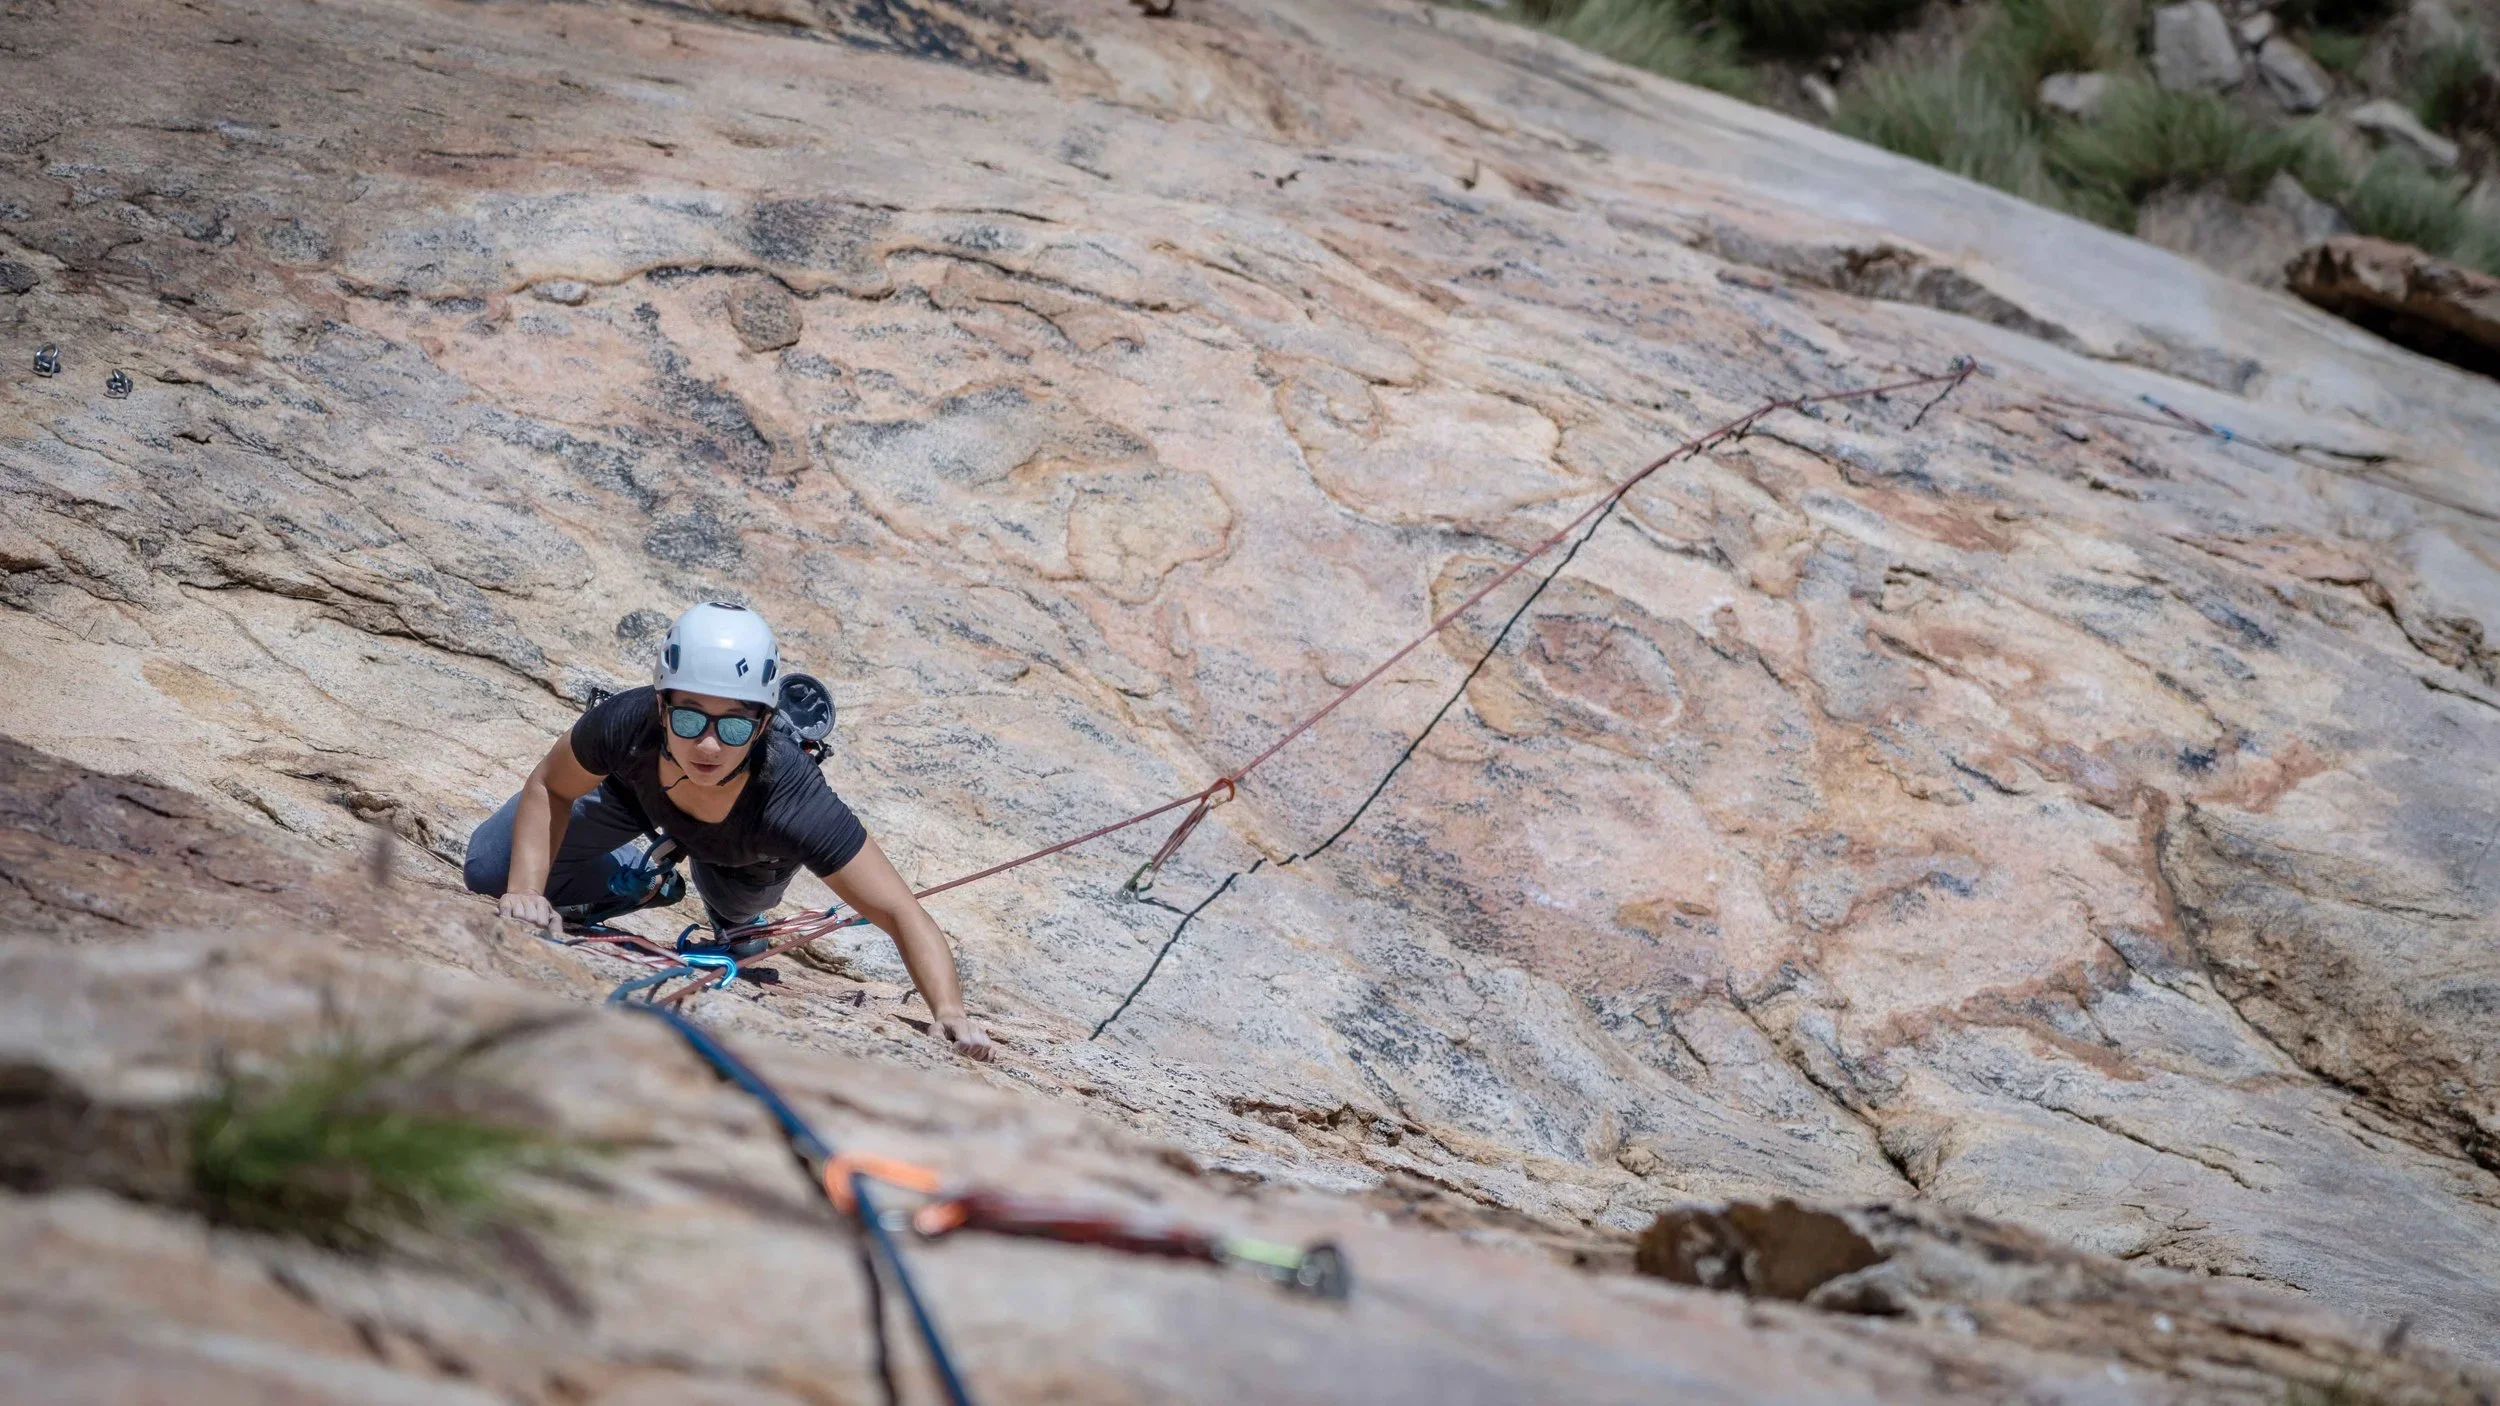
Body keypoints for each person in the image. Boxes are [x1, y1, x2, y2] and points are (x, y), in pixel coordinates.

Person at [464, 601, 992, 1060]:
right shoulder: (628, 722)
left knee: (736, 920)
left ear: (763, 724)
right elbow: (551, 787)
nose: (709, 747)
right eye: (691, 718)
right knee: (491, 868)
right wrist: (527, 891)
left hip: (745, 844)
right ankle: (643, 880)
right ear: (660, 704)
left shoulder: (795, 798)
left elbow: (900, 911)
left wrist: (948, 1009)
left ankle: (736, 906)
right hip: (638, 792)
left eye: (735, 725)